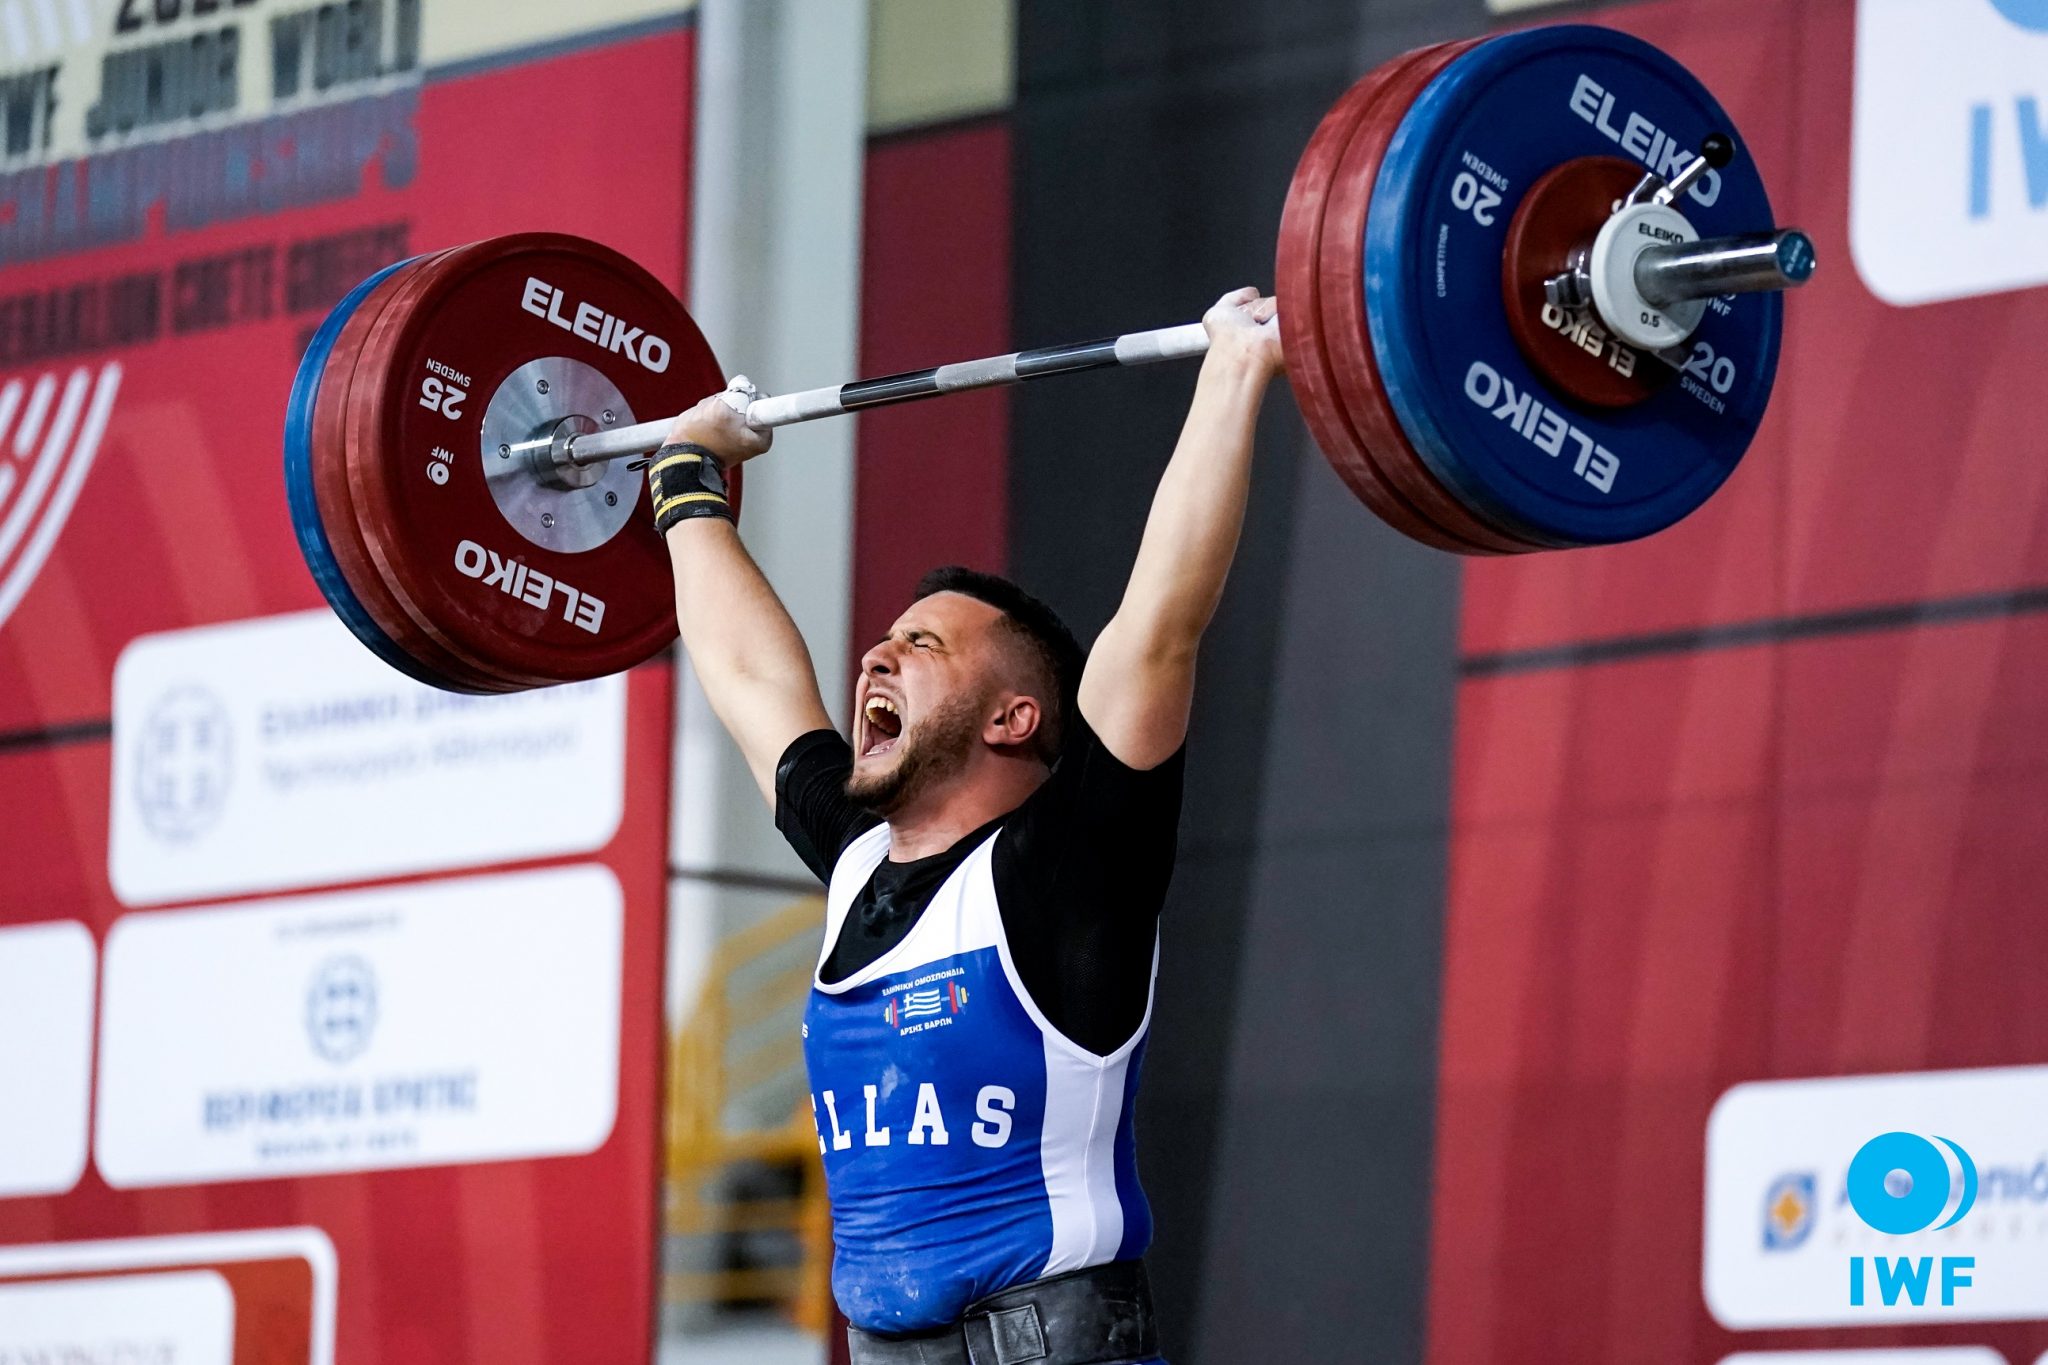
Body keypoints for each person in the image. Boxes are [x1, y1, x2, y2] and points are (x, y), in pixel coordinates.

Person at [648, 287, 1283, 1365]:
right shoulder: (859, 866)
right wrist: (683, 481)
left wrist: (1234, 367)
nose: (875, 657)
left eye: (924, 646)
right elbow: (755, 677)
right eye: (885, 639)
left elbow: (1161, 625)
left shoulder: (1066, 875)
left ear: (1014, 718)